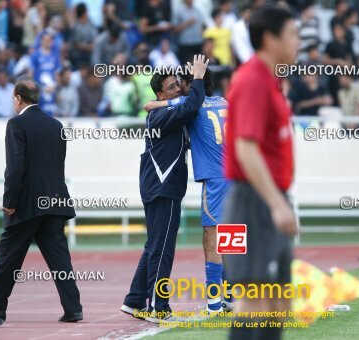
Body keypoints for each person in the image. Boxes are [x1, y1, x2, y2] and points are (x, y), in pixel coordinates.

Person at [0, 78, 82, 323]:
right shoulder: (56, 125)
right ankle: (73, 308)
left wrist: (9, 200)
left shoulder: (16, 124)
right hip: (55, 201)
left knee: (8, 256)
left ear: (17, 98)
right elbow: (57, 165)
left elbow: (15, 167)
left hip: (27, 203)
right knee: (59, 259)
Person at [223, 6, 299, 340]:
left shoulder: (271, 81)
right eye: (292, 35)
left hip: (269, 199)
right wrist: (277, 204)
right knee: (254, 302)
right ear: (270, 39)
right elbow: (245, 148)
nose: (298, 42)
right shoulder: (252, 78)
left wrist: (280, 200)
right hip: (251, 201)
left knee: (279, 304)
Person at [121, 55, 208, 323]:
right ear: (159, 94)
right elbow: (192, 106)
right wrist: (199, 78)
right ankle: (157, 307)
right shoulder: (161, 113)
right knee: (162, 248)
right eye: (172, 86)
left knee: (153, 245)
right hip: (163, 187)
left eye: (180, 83)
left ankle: (134, 300)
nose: (179, 88)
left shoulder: (163, 111)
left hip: (159, 187)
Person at [144, 69, 234, 317]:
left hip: (215, 178)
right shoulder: (226, 102)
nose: (180, 87)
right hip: (237, 175)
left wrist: (158, 101)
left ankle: (214, 303)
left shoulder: (192, 102)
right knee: (233, 236)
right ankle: (232, 296)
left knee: (211, 236)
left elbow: (151, 105)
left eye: (182, 83)